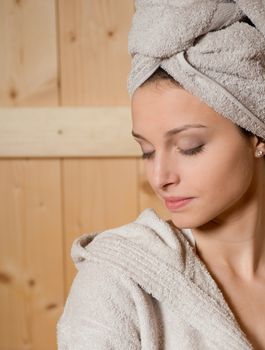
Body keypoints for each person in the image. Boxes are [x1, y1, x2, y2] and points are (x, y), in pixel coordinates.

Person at [56, 1, 265, 349]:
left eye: (189, 146)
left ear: (256, 135)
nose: (160, 176)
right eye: (147, 151)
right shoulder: (115, 282)